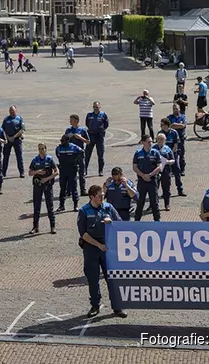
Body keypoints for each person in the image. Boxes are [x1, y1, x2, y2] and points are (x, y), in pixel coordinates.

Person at [78, 184, 127, 318]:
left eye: (103, 196)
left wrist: (111, 223)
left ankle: (117, 306)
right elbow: (84, 234)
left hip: (107, 248)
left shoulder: (108, 207)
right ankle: (95, 305)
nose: (102, 198)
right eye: (100, 196)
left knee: (112, 278)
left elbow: (120, 224)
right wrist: (99, 245)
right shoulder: (84, 211)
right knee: (93, 279)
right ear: (92, 197)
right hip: (91, 248)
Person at [28, 142, 58, 234]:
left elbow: (56, 172)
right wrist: (37, 172)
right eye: (39, 148)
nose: (41, 150)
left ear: (46, 149)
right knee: (36, 206)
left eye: (42, 148)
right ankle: (35, 227)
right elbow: (30, 173)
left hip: (47, 185)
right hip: (37, 185)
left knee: (50, 205)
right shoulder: (35, 160)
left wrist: (46, 179)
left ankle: (52, 226)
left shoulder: (49, 159)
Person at [132, 134, 164, 222]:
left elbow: (160, 166)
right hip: (142, 181)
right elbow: (134, 167)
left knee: (154, 202)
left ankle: (157, 222)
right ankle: (136, 222)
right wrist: (143, 175)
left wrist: (150, 175)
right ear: (143, 142)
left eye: (151, 142)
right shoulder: (138, 153)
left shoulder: (155, 152)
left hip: (152, 181)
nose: (151, 143)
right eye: (148, 142)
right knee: (140, 202)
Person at [56, 135, 84, 212]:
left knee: (73, 187)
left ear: (68, 141)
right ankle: (61, 205)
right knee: (62, 188)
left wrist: (76, 162)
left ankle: (75, 205)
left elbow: (82, 152)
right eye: (61, 141)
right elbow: (57, 154)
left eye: (63, 141)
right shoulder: (59, 148)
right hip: (63, 170)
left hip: (72, 170)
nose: (61, 142)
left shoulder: (74, 147)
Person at [158, 118, 184, 197]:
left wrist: (170, 154)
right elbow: (159, 145)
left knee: (177, 171)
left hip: (173, 155)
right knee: (164, 175)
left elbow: (175, 145)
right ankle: (165, 192)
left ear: (166, 125)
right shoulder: (160, 133)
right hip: (163, 156)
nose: (160, 126)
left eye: (162, 125)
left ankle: (180, 189)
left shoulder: (174, 132)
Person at [65, 114, 90, 196]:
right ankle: (69, 191)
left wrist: (80, 138)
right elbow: (63, 141)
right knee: (70, 173)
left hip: (80, 154)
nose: (70, 121)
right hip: (70, 154)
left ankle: (83, 190)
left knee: (81, 173)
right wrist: (67, 137)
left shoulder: (82, 130)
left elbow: (88, 141)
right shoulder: (68, 130)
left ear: (76, 121)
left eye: (71, 120)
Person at [85, 101, 109, 176]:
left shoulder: (103, 115)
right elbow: (87, 123)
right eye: (94, 107)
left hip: (99, 136)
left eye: (97, 107)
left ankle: (100, 170)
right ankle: (85, 170)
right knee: (87, 154)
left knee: (100, 154)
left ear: (99, 107)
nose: (95, 108)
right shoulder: (89, 115)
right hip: (91, 136)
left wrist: (101, 130)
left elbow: (106, 124)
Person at [154, 133, 177, 211]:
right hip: (156, 171)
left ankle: (167, 204)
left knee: (166, 188)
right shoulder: (153, 148)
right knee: (154, 189)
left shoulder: (167, 149)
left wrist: (168, 161)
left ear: (165, 140)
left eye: (162, 139)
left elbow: (173, 160)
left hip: (165, 171)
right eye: (158, 139)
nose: (160, 141)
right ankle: (153, 204)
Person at [1, 105, 26, 178]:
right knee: (5, 157)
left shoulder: (19, 119)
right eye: (10, 110)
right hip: (8, 140)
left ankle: (22, 172)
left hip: (17, 140)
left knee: (19, 157)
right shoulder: (6, 119)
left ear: (16, 110)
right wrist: (8, 137)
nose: (12, 112)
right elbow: (3, 130)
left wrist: (14, 137)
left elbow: (22, 129)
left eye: (13, 110)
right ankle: (3, 173)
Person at [167, 103, 188, 176]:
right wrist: (177, 125)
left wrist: (174, 125)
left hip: (181, 138)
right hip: (172, 139)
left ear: (179, 109)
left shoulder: (183, 117)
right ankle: (172, 170)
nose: (176, 110)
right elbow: (169, 126)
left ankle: (182, 170)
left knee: (181, 154)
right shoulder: (169, 117)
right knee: (172, 154)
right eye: (174, 109)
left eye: (177, 109)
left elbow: (183, 126)